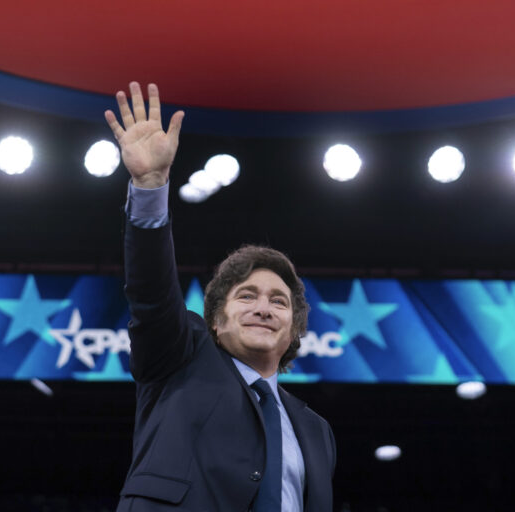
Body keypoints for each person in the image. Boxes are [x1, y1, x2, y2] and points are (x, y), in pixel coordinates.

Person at [105, 82, 335, 512]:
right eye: (247, 296)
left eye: (279, 301)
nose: (263, 308)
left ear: (294, 330)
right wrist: (151, 185)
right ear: (215, 320)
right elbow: (152, 294)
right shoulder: (180, 357)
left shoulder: (317, 430)